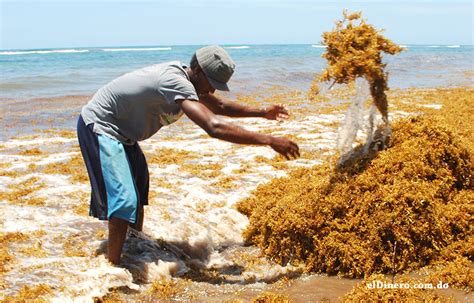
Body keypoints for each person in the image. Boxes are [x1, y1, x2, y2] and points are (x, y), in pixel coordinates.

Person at [77, 45, 300, 265]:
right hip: (101, 126)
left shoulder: (191, 83)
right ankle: (113, 268)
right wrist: (269, 140)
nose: (212, 91)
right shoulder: (174, 81)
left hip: (124, 134)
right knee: (124, 200)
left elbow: (220, 105)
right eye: (211, 84)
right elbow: (213, 126)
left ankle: (136, 249)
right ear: (199, 71)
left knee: (138, 191)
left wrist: (262, 113)